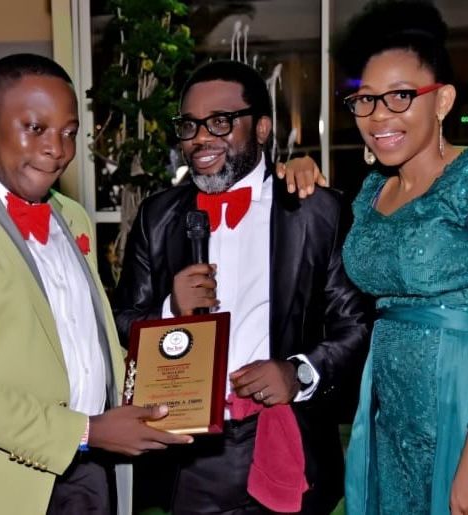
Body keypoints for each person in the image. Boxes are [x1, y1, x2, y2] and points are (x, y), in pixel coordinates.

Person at [114, 59, 371, 515]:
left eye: (220, 121)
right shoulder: (158, 217)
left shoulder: (317, 211)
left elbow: (355, 326)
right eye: (189, 125)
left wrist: (298, 373)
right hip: (187, 451)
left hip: (284, 434)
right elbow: (121, 320)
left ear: (262, 128)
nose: (200, 138)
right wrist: (171, 310)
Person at [0, 53, 193, 515]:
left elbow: (84, 338)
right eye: (36, 128)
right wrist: (84, 431)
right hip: (3, 483)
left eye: (69, 133)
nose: (57, 150)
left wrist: (176, 386)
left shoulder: (71, 216)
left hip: (89, 474)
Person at [280, 1, 468, 514]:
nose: (379, 115)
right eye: (366, 99)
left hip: (458, 404)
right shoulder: (370, 194)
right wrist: (296, 170)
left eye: (401, 95)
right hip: (388, 413)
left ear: (442, 100)